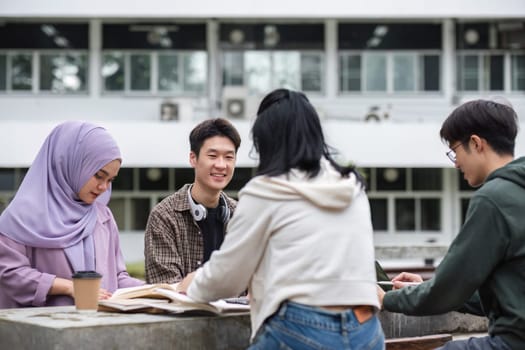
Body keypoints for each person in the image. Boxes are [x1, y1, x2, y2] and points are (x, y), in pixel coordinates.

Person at [177, 89, 384, 349]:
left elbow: (227, 277)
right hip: (367, 330)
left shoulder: (266, 191)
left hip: (301, 330)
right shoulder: (352, 187)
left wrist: (189, 285)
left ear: (266, 139)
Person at [378, 99, 525, 349]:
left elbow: (447, 289)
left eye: (455, 151)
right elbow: (505, 295)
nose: (456, 163)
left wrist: (388, 298)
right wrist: (426, 289)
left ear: (476, 143)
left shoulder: (493, 198)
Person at [0, 121, 144, 308]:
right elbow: (9, 273)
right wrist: (68, 287)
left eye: (110, 180)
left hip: (99, 328)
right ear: (69, 163)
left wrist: (158, 290)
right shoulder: (21, 217)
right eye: (99, 176)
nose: (103, 187)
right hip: (42, 329)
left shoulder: (103, 217)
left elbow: (117, 278)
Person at [144, 118, 241, 284]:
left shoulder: (241, 215)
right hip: (186, 310)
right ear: (193, 159)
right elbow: (167, 288)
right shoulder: (164, 216)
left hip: (236, 311)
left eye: (228, 157)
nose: (221, 165)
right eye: (212, 156)